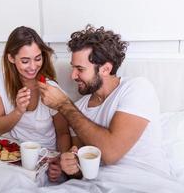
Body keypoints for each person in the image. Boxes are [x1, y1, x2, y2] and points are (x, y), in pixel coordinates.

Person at [38, 25, 170, 179]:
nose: (73, 76)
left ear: (106, 69)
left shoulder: (137, 88)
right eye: (73, 68)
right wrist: (71, 167)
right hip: (98, 184)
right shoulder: (79, 108)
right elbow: (81, 170)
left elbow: (111, 153)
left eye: (80, 69)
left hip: (144, 180)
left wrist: (63, 105)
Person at [0, 26, 70, 182]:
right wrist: (18, 111)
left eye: (38, 58)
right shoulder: (3, 81)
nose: (33, 66)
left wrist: (60, 161)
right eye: (25, 61)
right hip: (15, 157)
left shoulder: (50, 89)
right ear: (11, 58)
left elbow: (63, 133)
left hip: (44, 159)